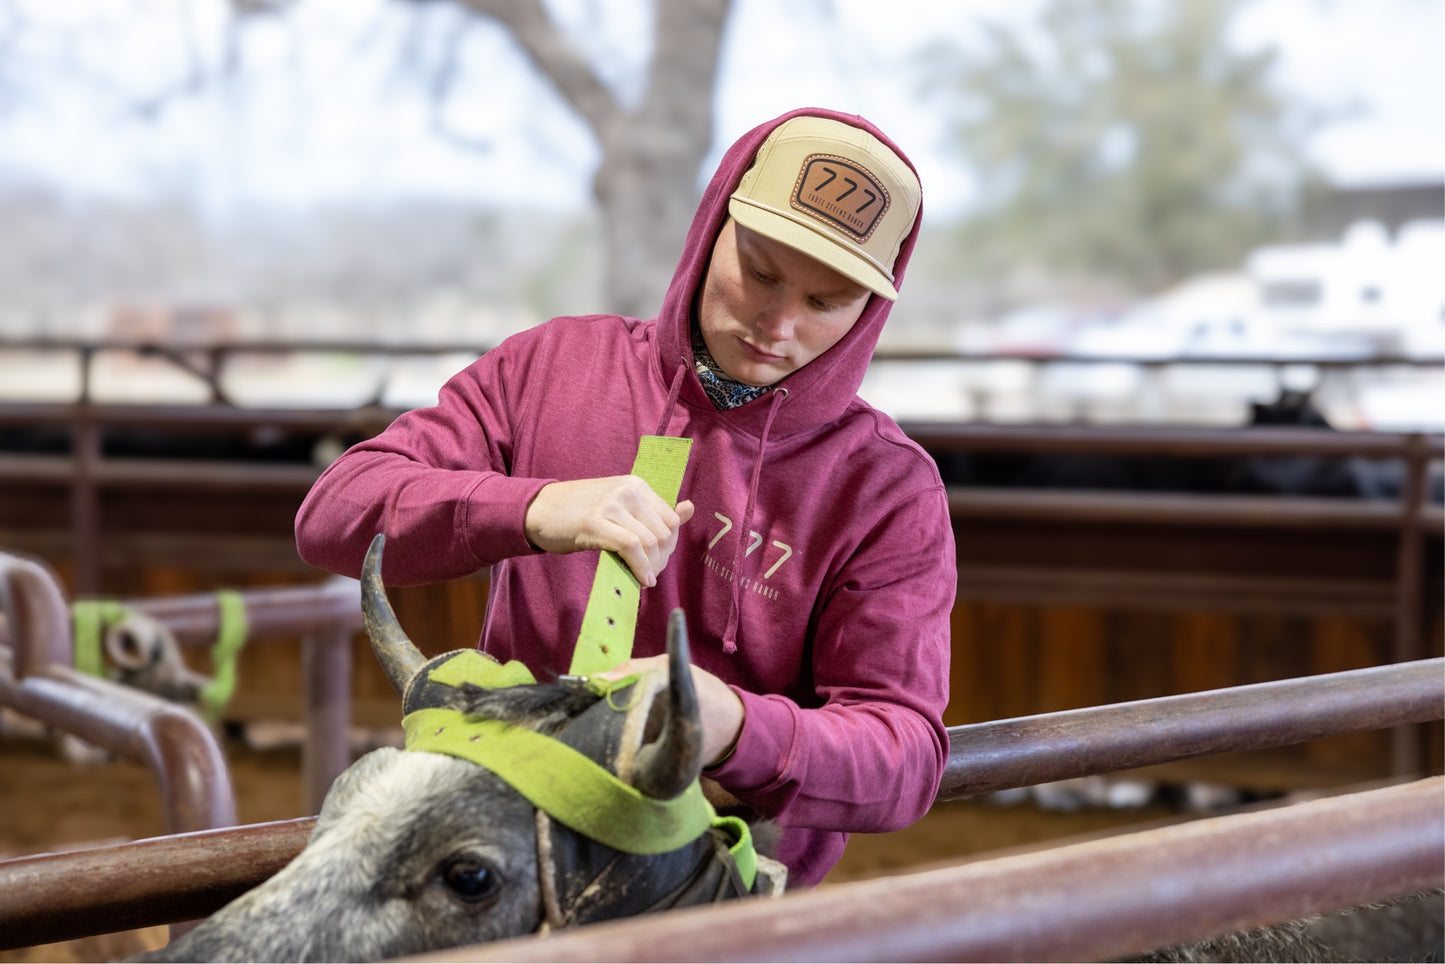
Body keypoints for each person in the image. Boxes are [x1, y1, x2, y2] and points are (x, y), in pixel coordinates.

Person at [294, 107, 956, 888]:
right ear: (712, 229)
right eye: (762, 272)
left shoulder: (885, 488)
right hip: (496, 851)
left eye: (826, 303)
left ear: (871, 310)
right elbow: (335, 514)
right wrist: (537, 509)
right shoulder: (553, 367)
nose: (777, 325)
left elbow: (904, 752)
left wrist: (731, 724)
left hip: (716, 887)